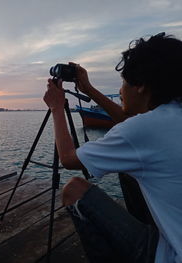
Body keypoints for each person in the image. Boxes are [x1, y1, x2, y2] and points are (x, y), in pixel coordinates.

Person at [43, 32, 182, 263]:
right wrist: (87, 89)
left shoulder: (145, 129)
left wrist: (57, 108)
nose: (120, 91)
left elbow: (67, 159)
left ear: (141, 86)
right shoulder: (168, 117)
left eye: (123, 82)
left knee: (74, 190)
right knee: (130, 173)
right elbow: (132, 125)